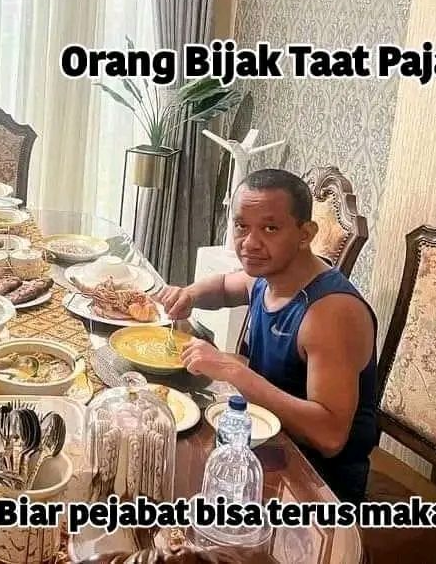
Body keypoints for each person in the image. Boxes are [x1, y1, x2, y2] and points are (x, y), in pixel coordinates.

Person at [156, 168, 378, 504]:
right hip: (261, 443)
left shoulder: (330, 313)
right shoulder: (269, 273)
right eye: (241, 226)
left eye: (270, 228)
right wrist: (189, 295)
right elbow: (224, 286)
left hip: (316, 486)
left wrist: (232, 370)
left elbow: (330, 436)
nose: (250, 243)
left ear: (305, 234)